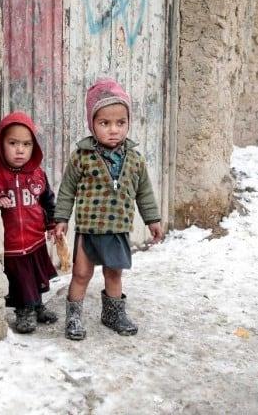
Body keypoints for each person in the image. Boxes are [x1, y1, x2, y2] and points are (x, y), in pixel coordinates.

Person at [54, 78, 164, 341]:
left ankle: (113, 314)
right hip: (89, 229)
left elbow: (144, 192)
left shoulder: (135, 160)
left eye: (120, 123)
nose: (113, 130)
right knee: (81, 273)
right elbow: (68, 189)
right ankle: (74, 317)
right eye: (104, 123)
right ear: (92, 123)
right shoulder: (82, 156)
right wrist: (61, 218)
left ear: (128, 122)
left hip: (117, 228)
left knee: (114, 273)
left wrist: (153, 219)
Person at [0, 111, 59, 334]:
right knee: (20, 280)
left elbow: (48, 200)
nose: (20, 150)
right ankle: (24, 310)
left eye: (26, 144)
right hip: (11, 243)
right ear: (1, 144)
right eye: (13, 143)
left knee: (35, 275)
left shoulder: (37, 174)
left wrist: (51, 225)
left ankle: (37, 305)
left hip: (34, 239)